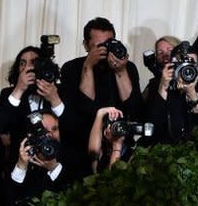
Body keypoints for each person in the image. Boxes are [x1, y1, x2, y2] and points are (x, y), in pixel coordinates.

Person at [59, 17, 143, 171]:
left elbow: (133, 107)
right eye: (99, 46)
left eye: (109, 44)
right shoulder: (71, 68)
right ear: (86, 45)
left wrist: (121, 71)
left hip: (120, 144)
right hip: (82, 145)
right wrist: (88, 67)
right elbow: (85, 108)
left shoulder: (128, 67)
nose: (105, 50)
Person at [0, 46, 66, 159]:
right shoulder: (9, 94)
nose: (27, 67)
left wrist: (55, 100)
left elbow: (71, 128)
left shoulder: (60, 91)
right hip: (20, 160)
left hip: (55, 159)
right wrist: (19, 89)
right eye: (22, 64)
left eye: (33, 62)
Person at [141, 36, 198, 145]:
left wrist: (192, 93)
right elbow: (152, 127)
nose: (186, 67)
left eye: (191, 62)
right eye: (160, 52)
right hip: (163, 150)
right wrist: (163, 87)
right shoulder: (156, 85)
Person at [6, 111, 76, 206]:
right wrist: (21, 166)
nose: (50, 135)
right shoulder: (26, 162)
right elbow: (11, 202)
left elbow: (72, 195)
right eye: (44, 132)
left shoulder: (72, 158)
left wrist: (54, 168)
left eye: (55, 129)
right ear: (31, 136)